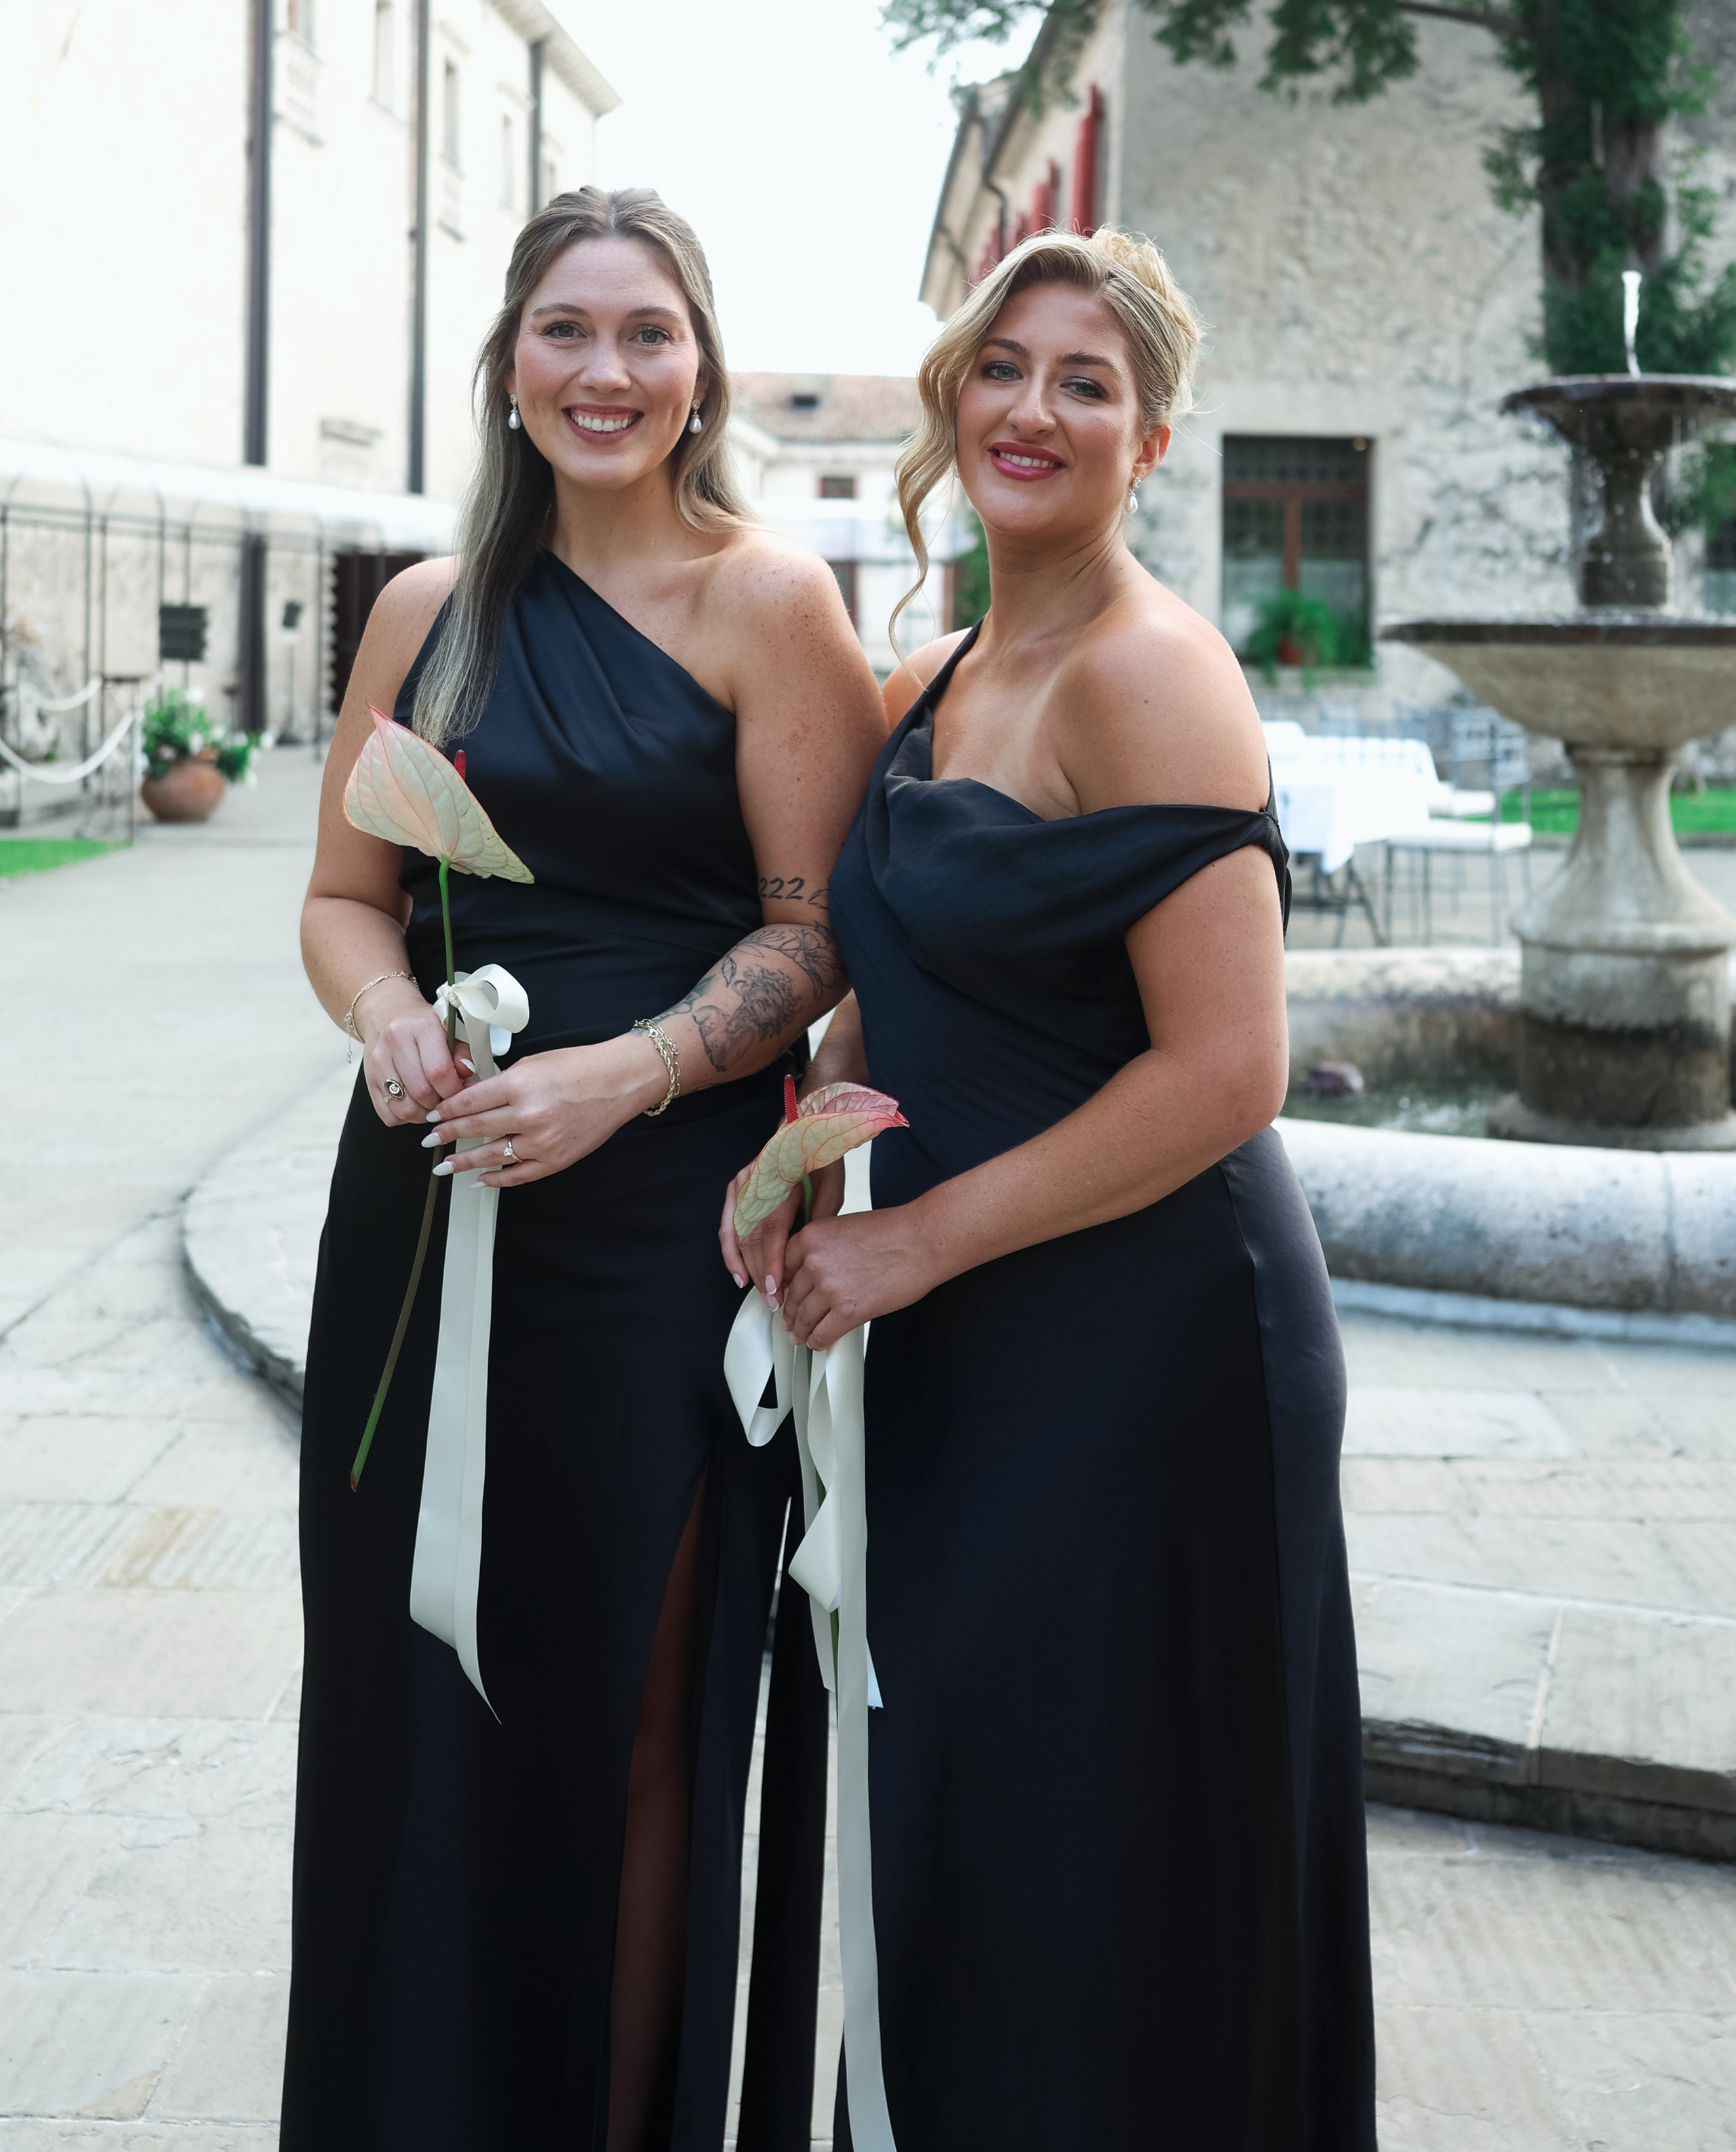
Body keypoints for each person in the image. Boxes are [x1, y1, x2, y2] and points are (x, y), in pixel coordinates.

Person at [726, 227, 1377, 2147]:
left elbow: (1230, 1067)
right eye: (1005, 367)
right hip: (969, 1340)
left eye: (1088, 383)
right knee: (979, 1828)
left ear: (1150, 439)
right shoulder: (931, 673)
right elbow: (903, 990)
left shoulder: (1153, 676)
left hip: (1149, 1344)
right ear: (952, 397)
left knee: (1111, 1865)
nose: (1035, 409)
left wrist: (914, 1238)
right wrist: (802, 1149)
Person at [283, 187, 884, 2151]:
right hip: (426, 1215)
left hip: (657, 1224)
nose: (603, 371)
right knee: (408, 1697)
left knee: (628, 1702)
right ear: (507, 365)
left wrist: (630, 1076)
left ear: (700, 367)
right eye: (564, 330)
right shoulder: (420, 612)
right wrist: (383, 1016)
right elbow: (345, 901)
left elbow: (815, 938)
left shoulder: (774, 603)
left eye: (645, 333)